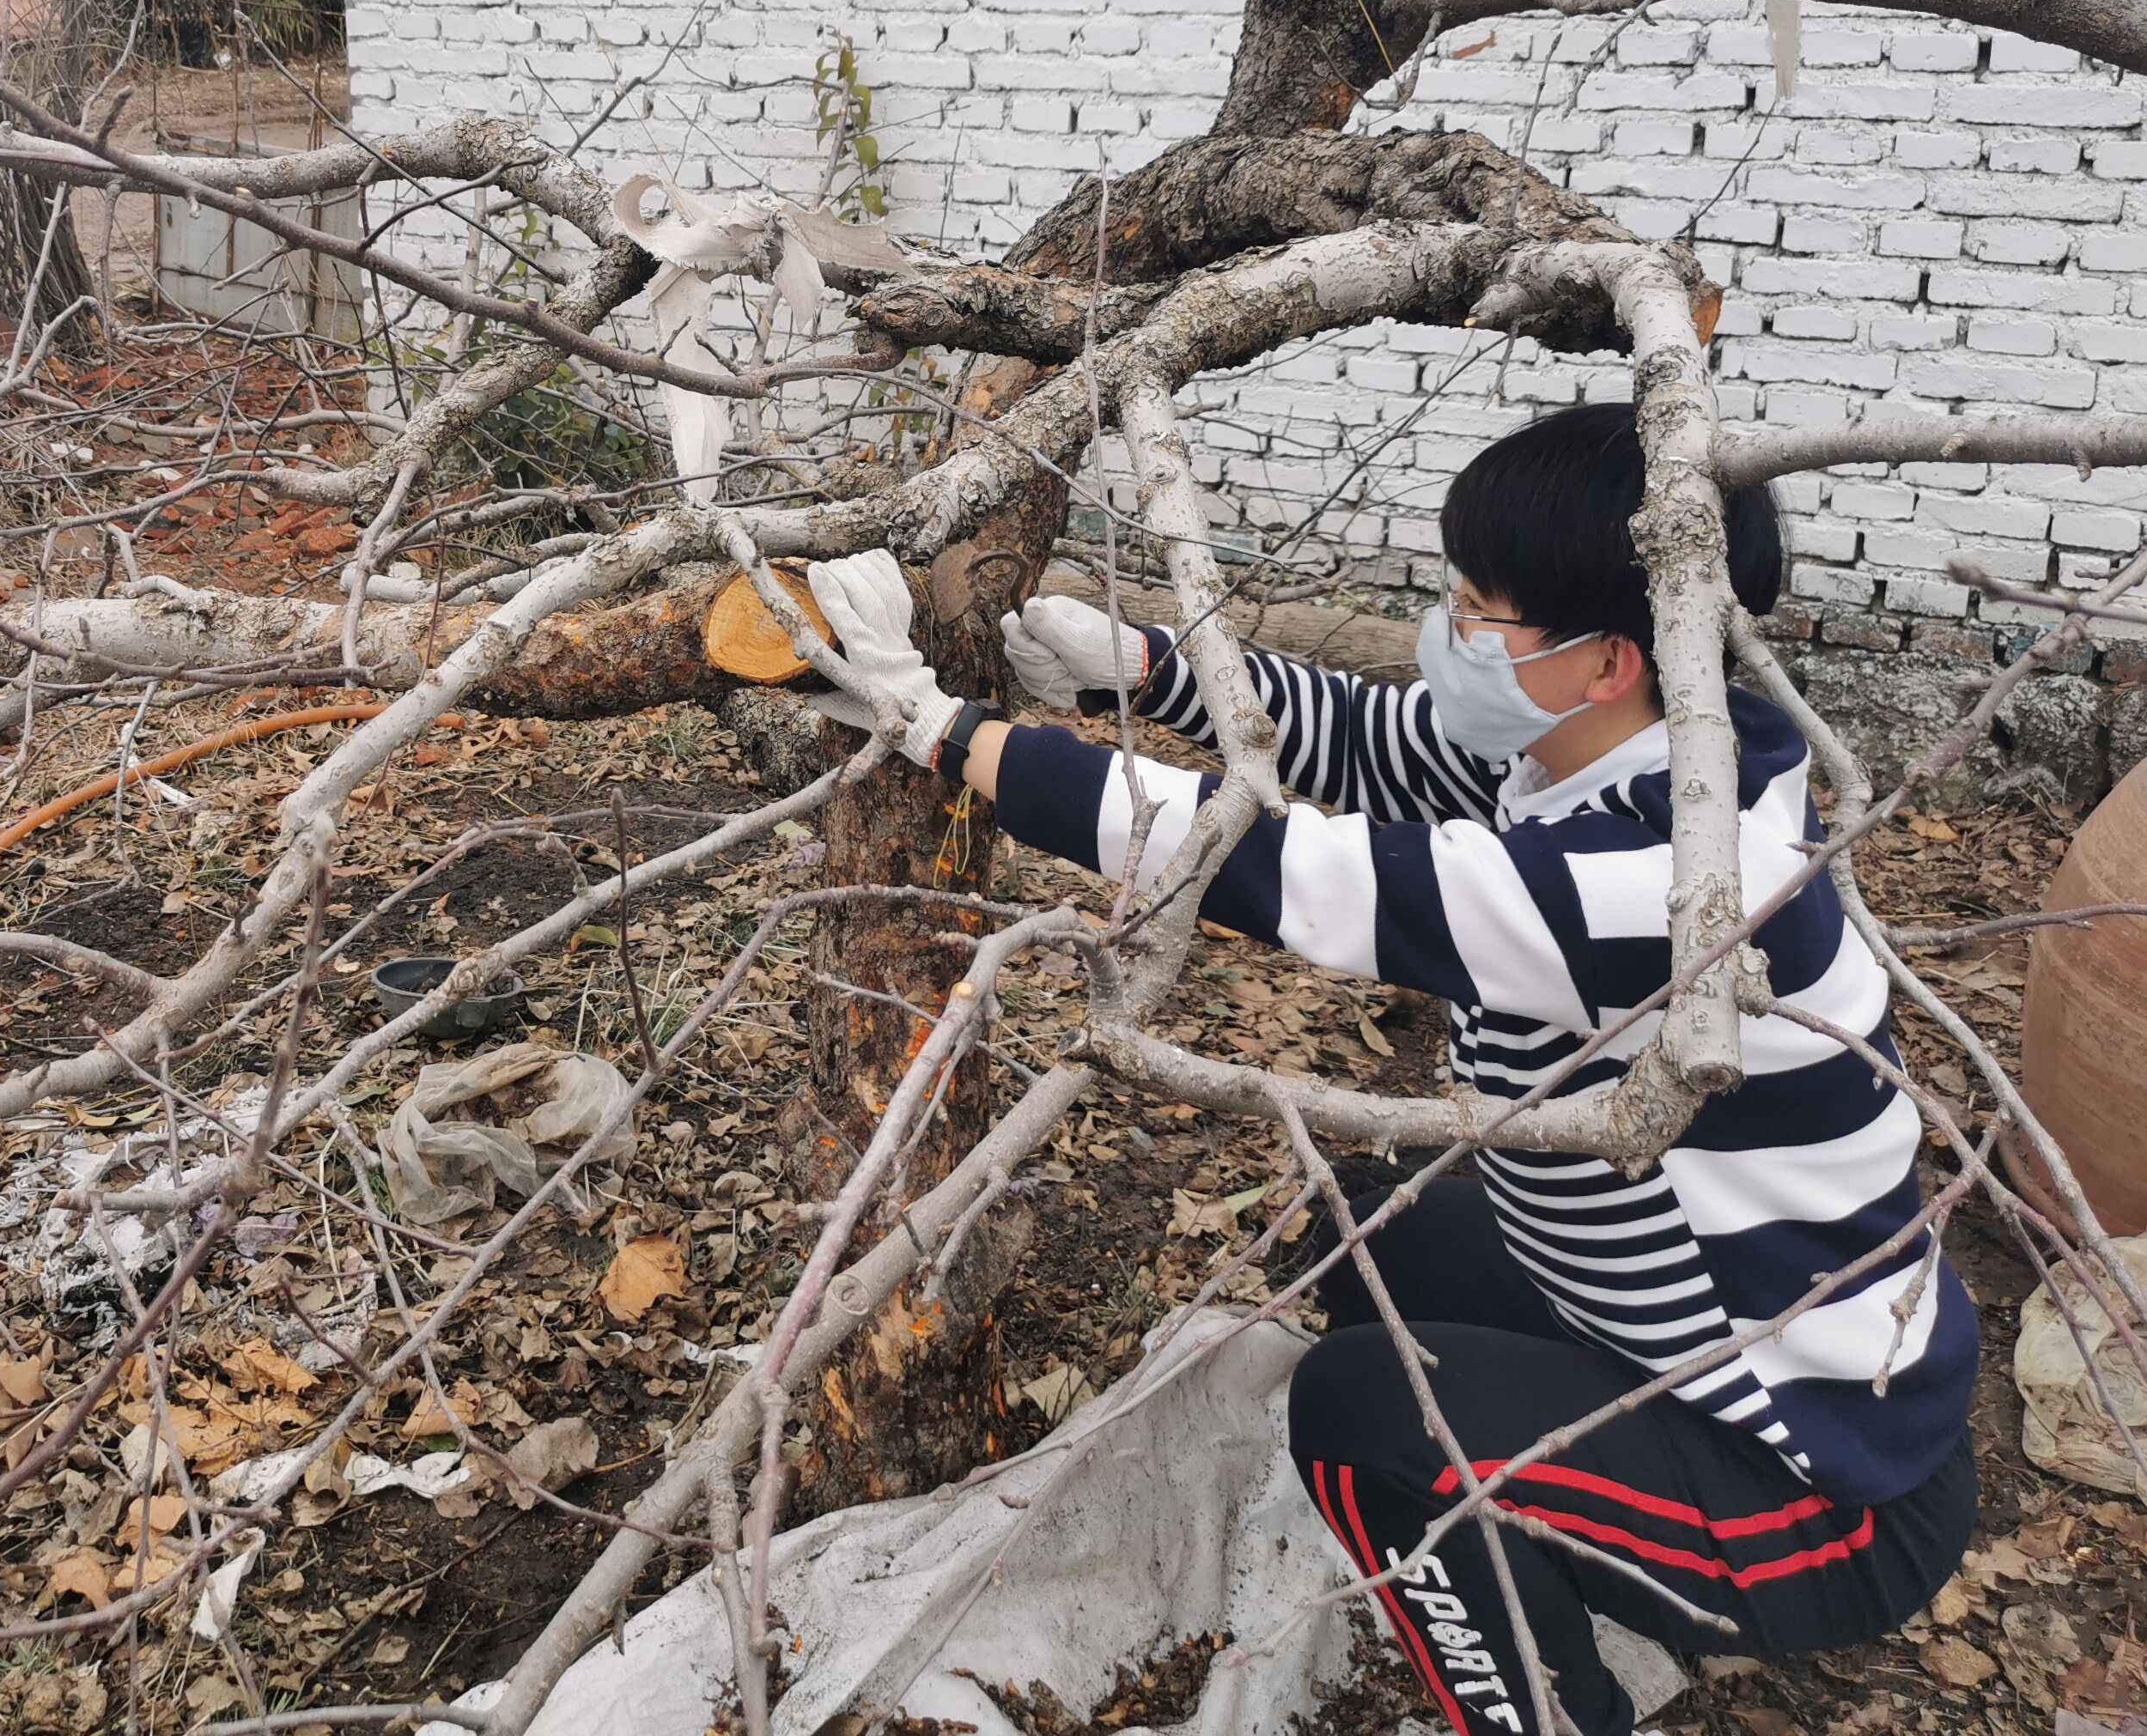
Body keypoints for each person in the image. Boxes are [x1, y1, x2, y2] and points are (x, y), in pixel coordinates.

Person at [799, 402, 1974, 1736]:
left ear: (1607, 663)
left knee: (1354, 1408)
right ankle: (1495, 1527)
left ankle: (1536, 1707)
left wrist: (940, 729)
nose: (1450, 630)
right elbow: (1381, 744)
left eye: (1482, 611)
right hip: (1659, 1329)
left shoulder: (1681, 886)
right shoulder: (1659, 747)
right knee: (1372, 1227)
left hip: (1813, 1487)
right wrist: (1143, 664)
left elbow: (1285, 871)